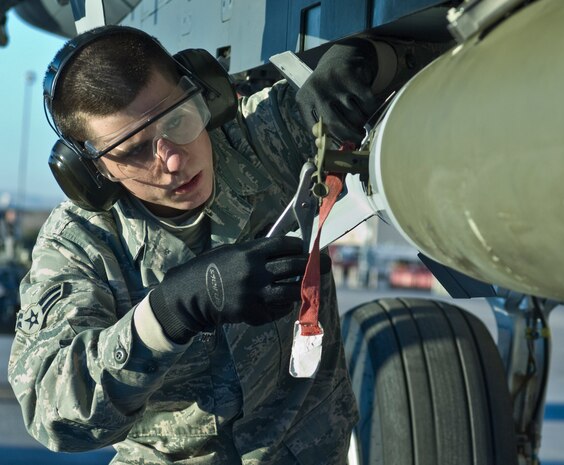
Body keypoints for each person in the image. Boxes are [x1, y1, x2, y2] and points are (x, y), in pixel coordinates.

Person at [7, 24, 399, 464]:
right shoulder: (80, 245)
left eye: (178, 121)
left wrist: (366, 59)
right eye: (134, 151)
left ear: (204, 95)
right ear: (94, 171)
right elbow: (53, 414)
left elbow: (408, 57)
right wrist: (171, 312)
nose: (173, 159)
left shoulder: (258, 140)